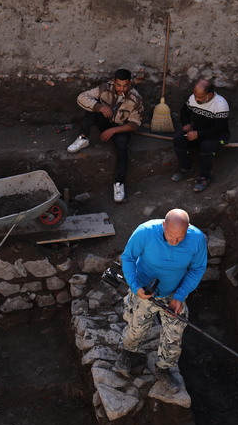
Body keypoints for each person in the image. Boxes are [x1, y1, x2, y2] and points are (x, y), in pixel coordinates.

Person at [114, 209, 207, 393]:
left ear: (188, 230)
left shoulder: (197, 239)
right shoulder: (145, 232)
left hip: (174, 293)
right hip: (144, 290)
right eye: (170, 237)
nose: (174, 242)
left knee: (174, 334)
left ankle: (163, 368)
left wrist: (179, 296)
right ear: (163, 225)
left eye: (179, 238)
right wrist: (135, 287)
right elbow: (128, 258)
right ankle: (128, 351)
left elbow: (197, 269)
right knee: (137, 327)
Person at [66, 68, 144, 203]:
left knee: (122, 148)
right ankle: (83, 137)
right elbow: (82, 97)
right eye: (119, 85)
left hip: (121, 129)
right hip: (105, 122)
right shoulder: (104, 88)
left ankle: (119, 183)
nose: (122, 88)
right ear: (114, 82)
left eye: (125, 85)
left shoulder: (135, 98)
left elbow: (134, 124)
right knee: (91, 108)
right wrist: (99, 107)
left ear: (129, 84)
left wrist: (113, 131)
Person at [171, 79, 230, 192]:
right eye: (195, 96)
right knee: (178, 139)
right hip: (197, 130)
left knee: (207, 146)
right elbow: (184, 112)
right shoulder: (193, 98)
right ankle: (186, 168)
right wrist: (186, 124)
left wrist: (198, 134)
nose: (196, 99)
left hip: (218, 136)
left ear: (210, 95)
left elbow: (219, 129)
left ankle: (204, 176)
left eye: (200, 97)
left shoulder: (220, 104)